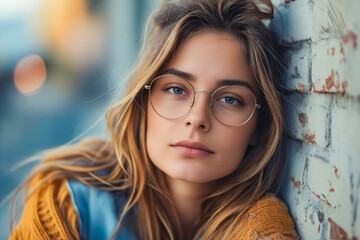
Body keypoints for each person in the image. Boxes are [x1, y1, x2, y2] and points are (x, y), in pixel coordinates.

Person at [10, 0, 300, 239]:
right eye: (176, 89)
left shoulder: (259, 224)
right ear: (143, 102)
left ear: (258, 128)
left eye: (230, 99)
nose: (197, 119)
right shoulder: (70, 203)